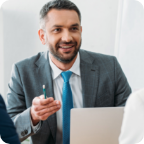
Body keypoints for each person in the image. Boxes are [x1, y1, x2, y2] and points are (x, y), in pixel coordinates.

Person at [6, 0, 131, 144]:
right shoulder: (22, 72)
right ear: (42, 36)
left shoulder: (110, 67)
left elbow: (131, 118)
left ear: (80, 31)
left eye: (73, 28)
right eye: (57, 30)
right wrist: (32, 116)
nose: (67, 38)